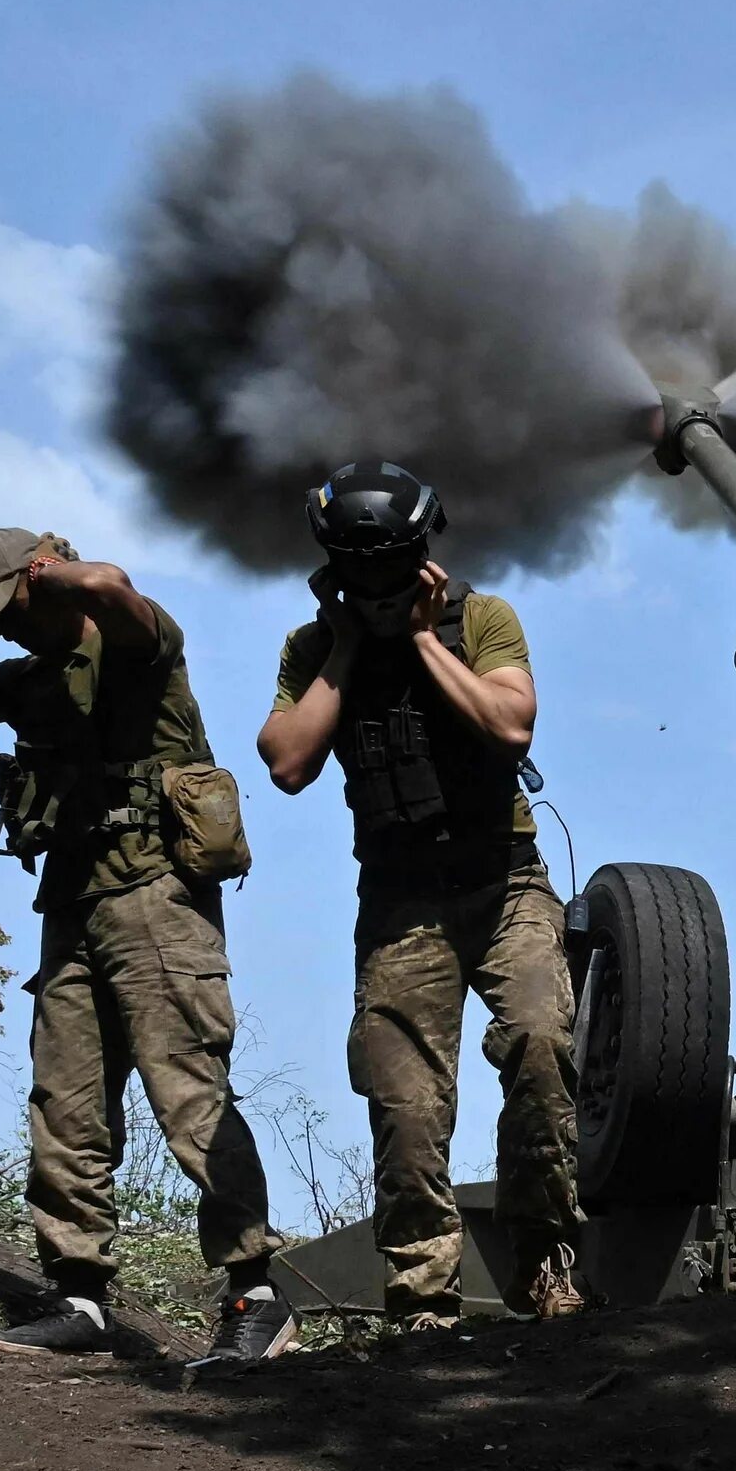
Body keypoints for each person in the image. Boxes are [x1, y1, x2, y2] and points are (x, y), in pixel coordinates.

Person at [0, 531, 292, 1364]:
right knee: (64, 1105)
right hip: (71, 901)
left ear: (46, 579)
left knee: (189, 1095)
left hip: (156, 897)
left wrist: (52, 577)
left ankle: (258, 1293)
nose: (7, 627)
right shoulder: (24, 679)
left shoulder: (138, 648)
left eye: (12, 607)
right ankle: (80, 1299)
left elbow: (108, 585)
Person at [255, 463, 586, 1327]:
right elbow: (287, 762)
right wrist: (356, 644)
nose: (375, 581)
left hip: (505, 881)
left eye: (390, 564)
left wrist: (424, 639)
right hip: (402, 901)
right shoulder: (310, 650)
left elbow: (511, 724)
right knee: (405, 1101)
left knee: (544, 1048)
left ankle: (544, 1262)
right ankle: (423, 1301)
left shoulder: (479, 619)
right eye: (357, 568)